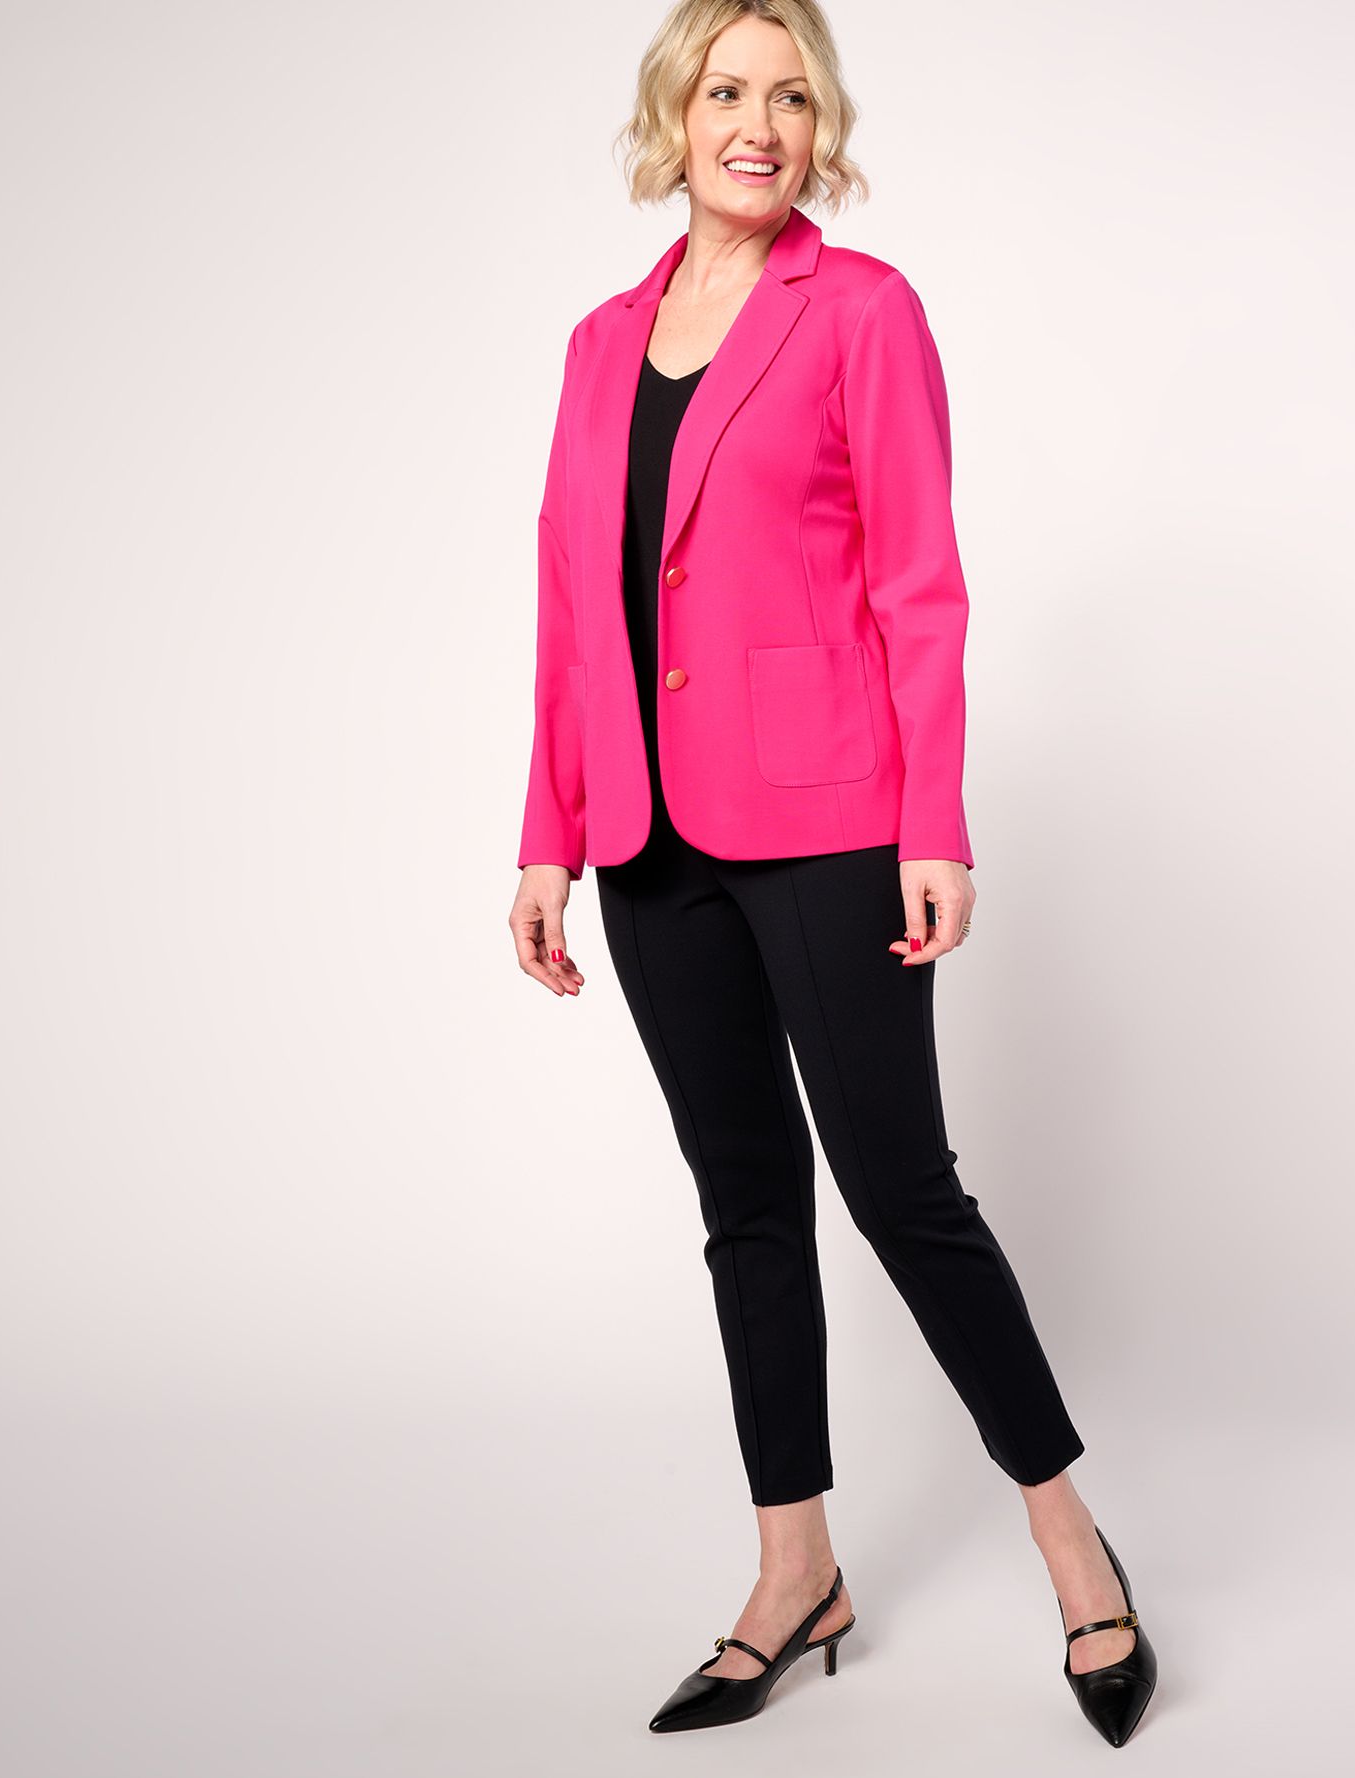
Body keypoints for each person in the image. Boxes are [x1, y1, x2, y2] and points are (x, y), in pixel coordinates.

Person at [507, 0, 1157, 1746]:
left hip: (827, 819)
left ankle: (1070, 1538)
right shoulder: (594, 344)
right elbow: (575, 606)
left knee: (901, 1189)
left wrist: (934, 822)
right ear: (675, 115)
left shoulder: (860, 310)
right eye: (728, 90)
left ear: (821, 130)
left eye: (792, 97)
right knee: (745, 1204)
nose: (759, 122)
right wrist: (550, 833)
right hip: (648, 843)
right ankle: (795, 1569)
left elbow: (918, 582)